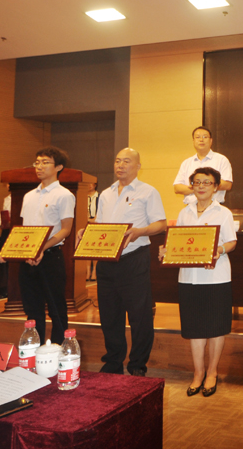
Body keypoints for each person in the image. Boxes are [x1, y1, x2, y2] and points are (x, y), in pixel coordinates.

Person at [81, 148, 167, 376]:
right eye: (117, 161)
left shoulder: (148, 192)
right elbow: (101, 225)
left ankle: (137, 365)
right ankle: (113, 362)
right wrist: (86, 232)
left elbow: (161, 224)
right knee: (109, 315)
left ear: (138, 166)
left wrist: (140, 231)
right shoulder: (106, 194)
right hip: (107, 261)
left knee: (139, 315)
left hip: (134, 259)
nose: (120, 165)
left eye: (126, 161)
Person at [160, 167, 236, 397]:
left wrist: (218, 251)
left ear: (216, 187)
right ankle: (198, 373)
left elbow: (231, 242)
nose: (201, 186)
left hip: (216, 277)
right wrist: (167, 251)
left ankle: (212, 372)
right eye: (197, 182)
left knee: (216, 327)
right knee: (194, 328)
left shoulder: (223, 212)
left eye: (207, 182)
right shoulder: (185, 213)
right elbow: (179, 242)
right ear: (191, 186)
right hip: (189, 278)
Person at [0, 147, 75, 344]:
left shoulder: (64, 195)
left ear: (59, 167)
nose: (39, 166)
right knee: (32, 308)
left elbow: (65, 230)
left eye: (45, 162)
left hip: (51, 256)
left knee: (56, 307)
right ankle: (35, 348)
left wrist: (41, 249)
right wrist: (10, 251)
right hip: (28, 258)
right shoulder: (29, 195)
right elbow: (25, 231)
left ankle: (59, 348)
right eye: (37, 162)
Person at [174, 126, 233, 204]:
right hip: (190, 207)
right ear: (193, 141)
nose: (201, 140)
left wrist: (198, 186)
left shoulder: (221, 159)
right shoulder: (187, 163)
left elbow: (227, 184)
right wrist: (199, 188)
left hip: (214, 206)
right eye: (198, 137)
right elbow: (177, 188)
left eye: (205, 137)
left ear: (211, 141)